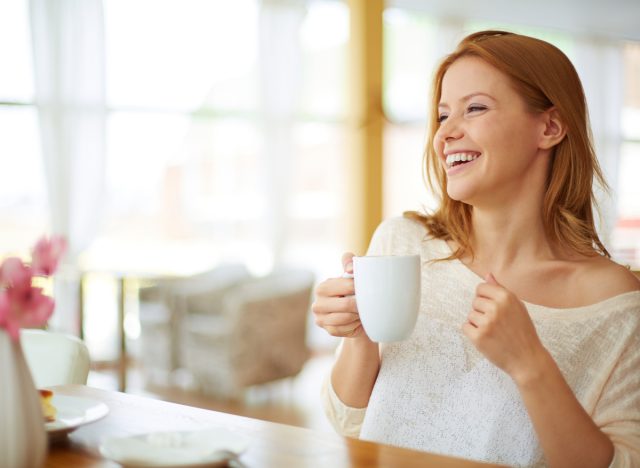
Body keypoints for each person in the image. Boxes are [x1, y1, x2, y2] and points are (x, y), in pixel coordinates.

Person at [312, 30, 640, 468]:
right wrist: (359, 339)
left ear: (550, 127)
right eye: (442, 115)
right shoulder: (404, 244)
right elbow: (350, 423)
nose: (445, 133)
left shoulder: (612, 301)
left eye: (475, 108)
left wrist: (530, 365)